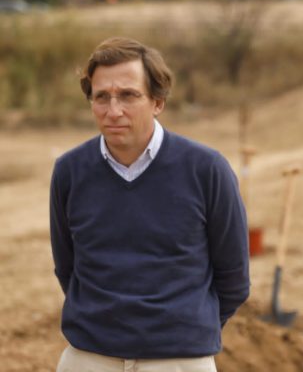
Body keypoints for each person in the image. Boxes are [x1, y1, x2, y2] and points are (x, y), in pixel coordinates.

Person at [50, 37, 249, 371]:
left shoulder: (207, 170)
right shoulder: (69, 172)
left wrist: (183, 334)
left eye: (128, 95)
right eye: (102, 97)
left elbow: (234, 278)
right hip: (89, 358)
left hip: (180, 361)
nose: (113, 111)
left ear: (158, 102)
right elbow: (66, 268)